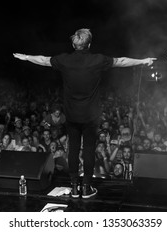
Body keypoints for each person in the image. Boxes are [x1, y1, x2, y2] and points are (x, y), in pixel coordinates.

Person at [13, 28, 156, 198]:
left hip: (72, 116)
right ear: (89, 44)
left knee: (73, 149)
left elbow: (43, 60)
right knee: (88, 150)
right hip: (90, 116)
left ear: (74, 44)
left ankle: (74, 188)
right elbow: (122, 61)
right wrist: (143, 60)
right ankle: (86, 188)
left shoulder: (64, 60)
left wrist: (27, 57)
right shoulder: (98, 60)